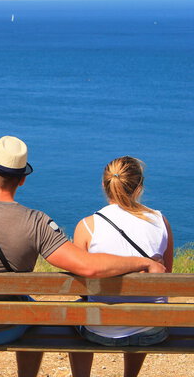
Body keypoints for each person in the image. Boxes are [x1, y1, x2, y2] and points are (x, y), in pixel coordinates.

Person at [0, 136, 166, 377]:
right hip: (10, 327)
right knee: (33, 314)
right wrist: (143, 262)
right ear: (22, 180)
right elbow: (88, 267)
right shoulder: (36, 222)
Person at [68, 156, 174, 377]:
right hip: (151, 331)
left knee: (76, 310)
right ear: (139, 186)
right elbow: (167, 281)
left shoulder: (87, 226)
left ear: (104, 185)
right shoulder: (161, 222)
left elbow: (80, 287)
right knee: (143, 310)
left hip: (99, 331)